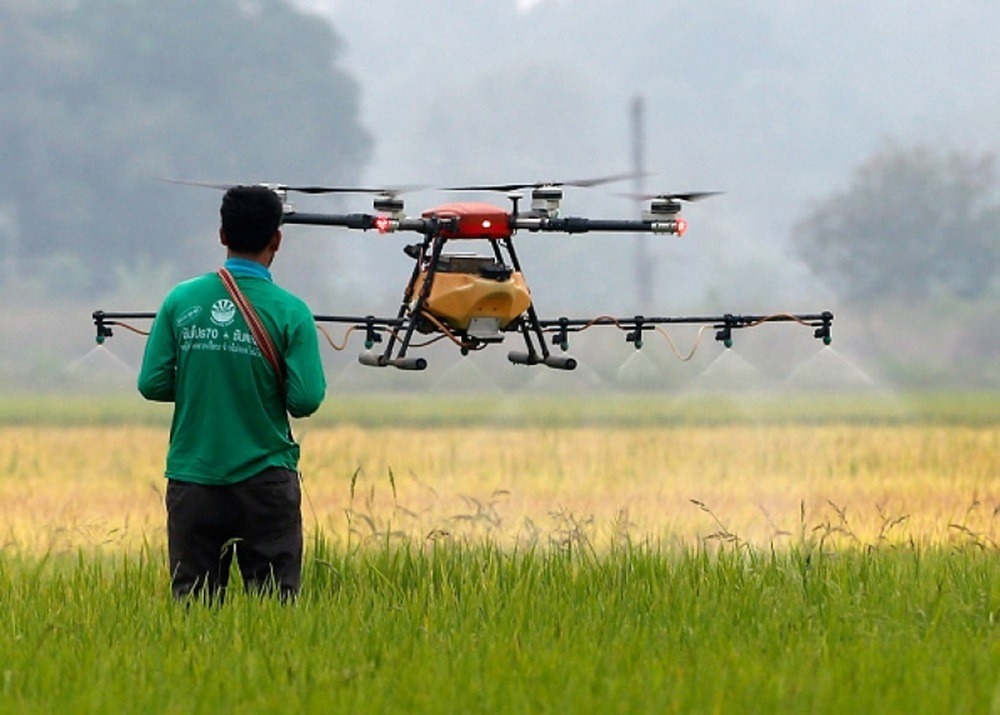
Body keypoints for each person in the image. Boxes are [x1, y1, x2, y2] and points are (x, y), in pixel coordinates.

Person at [138, 185, 326, 602]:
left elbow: (151, 383)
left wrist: (202, 382)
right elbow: (306, 399)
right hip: (265, 482)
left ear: (222, 235)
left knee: (195, 609)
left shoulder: (181, 300)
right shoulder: (291, 311)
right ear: (277, 239)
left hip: (194, 479)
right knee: (275, 609)